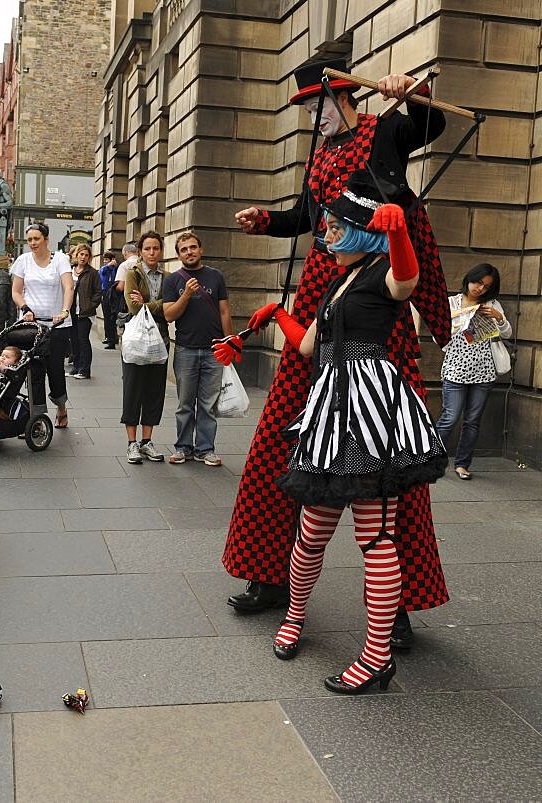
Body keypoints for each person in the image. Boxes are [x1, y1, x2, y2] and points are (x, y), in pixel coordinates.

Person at [219, 59, 451, 645]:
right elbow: (307, 216)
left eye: (313, 105)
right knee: (278, 436)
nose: (309, 115)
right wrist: (268, 221)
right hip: (322, 293)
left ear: (341, 97)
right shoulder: (319, 155)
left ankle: (396, 605)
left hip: (377, 300)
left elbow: (432, 128)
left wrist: (414, 93)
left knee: (388, 462)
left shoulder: (383, 129)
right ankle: (269, 574)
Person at [237, 176, 447, 694]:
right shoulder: (340, 280)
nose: (326, 232)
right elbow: (309, 347)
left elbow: (408, 279)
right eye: (326, 224)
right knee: (311, 532)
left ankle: (377, 657)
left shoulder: (381, 273)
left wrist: (399, 233)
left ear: (362, 231)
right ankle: (294, 617)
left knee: (375, 537)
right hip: (329, 408)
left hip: (369, 409)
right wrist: (275, 316)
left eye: (335, 225)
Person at [435, 263, 512, 480]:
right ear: (470, 279)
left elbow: (507, 333)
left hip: (484, 370)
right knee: (450, 417)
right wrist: (456, 324)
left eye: (486, 286)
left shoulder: (492, 305)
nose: (480, 289)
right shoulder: (451, 303)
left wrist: (499, 317)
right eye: (478, 282)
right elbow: (437, 337)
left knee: (472, 420)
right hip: (455, 369)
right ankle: (429, 460)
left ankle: (462, 464)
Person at [163, 231, 232, 465]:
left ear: (200, 249)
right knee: (185, 403)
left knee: (208, 404)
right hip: (185, 349)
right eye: (184, 249)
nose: (189, 252)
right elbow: (169, 315)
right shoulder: (173, 280)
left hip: (214, 349)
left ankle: (205, 449)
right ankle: (183, 447)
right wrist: (187, 294)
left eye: (193, 247)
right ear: (179, 254)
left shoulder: (215, 276)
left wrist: (230, 340)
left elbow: (224, 310)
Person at [10, 223, 74, 429]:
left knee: (55, 371)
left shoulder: (60, 260)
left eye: (36, 239)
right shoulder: (23, 261)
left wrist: (64, 310)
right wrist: (24, 308)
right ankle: (35, 418)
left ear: (46, 239)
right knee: (34, 372)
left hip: (57, 326)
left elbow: (68, 286)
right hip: (31, 325)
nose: (32, 243)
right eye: (29, 239)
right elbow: (16, 292)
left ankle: (61, 406)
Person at [121, 231, 170, 464]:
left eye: (156, 248)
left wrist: (149, 304)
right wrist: (158, 306)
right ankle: (132, 444)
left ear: (161, 251)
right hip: (136, 340)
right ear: (140, 252)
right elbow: (133, 307)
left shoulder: (168, 277)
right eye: (147, 248)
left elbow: (170, 308)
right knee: (133, 390)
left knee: (154, 392)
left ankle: (147, 441)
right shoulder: (133, 273)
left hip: (160, 340)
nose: (152, 252)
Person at [68, 244, 102, 379]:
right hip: (71, 312)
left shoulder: (92, 273)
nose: (83, 257)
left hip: (85, 313)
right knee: (74, 341)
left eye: (86, 255)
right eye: (81, 254)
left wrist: (90, 306)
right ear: (76, 255)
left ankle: (85, 370)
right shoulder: (70, 270)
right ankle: (76, 367)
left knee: (83, 340)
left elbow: (98, 292)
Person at [99, 250, 120, 349]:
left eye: (107, 260)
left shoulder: (116, 268)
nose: (105, 261)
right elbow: (102, 272)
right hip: (105, 293)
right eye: (104, 260)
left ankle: (113, 338)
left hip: (114, 294)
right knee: (107, 316)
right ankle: (109, 337)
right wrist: (108, 266)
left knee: (113, 317)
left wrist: (114, 266)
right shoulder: (105, 268)